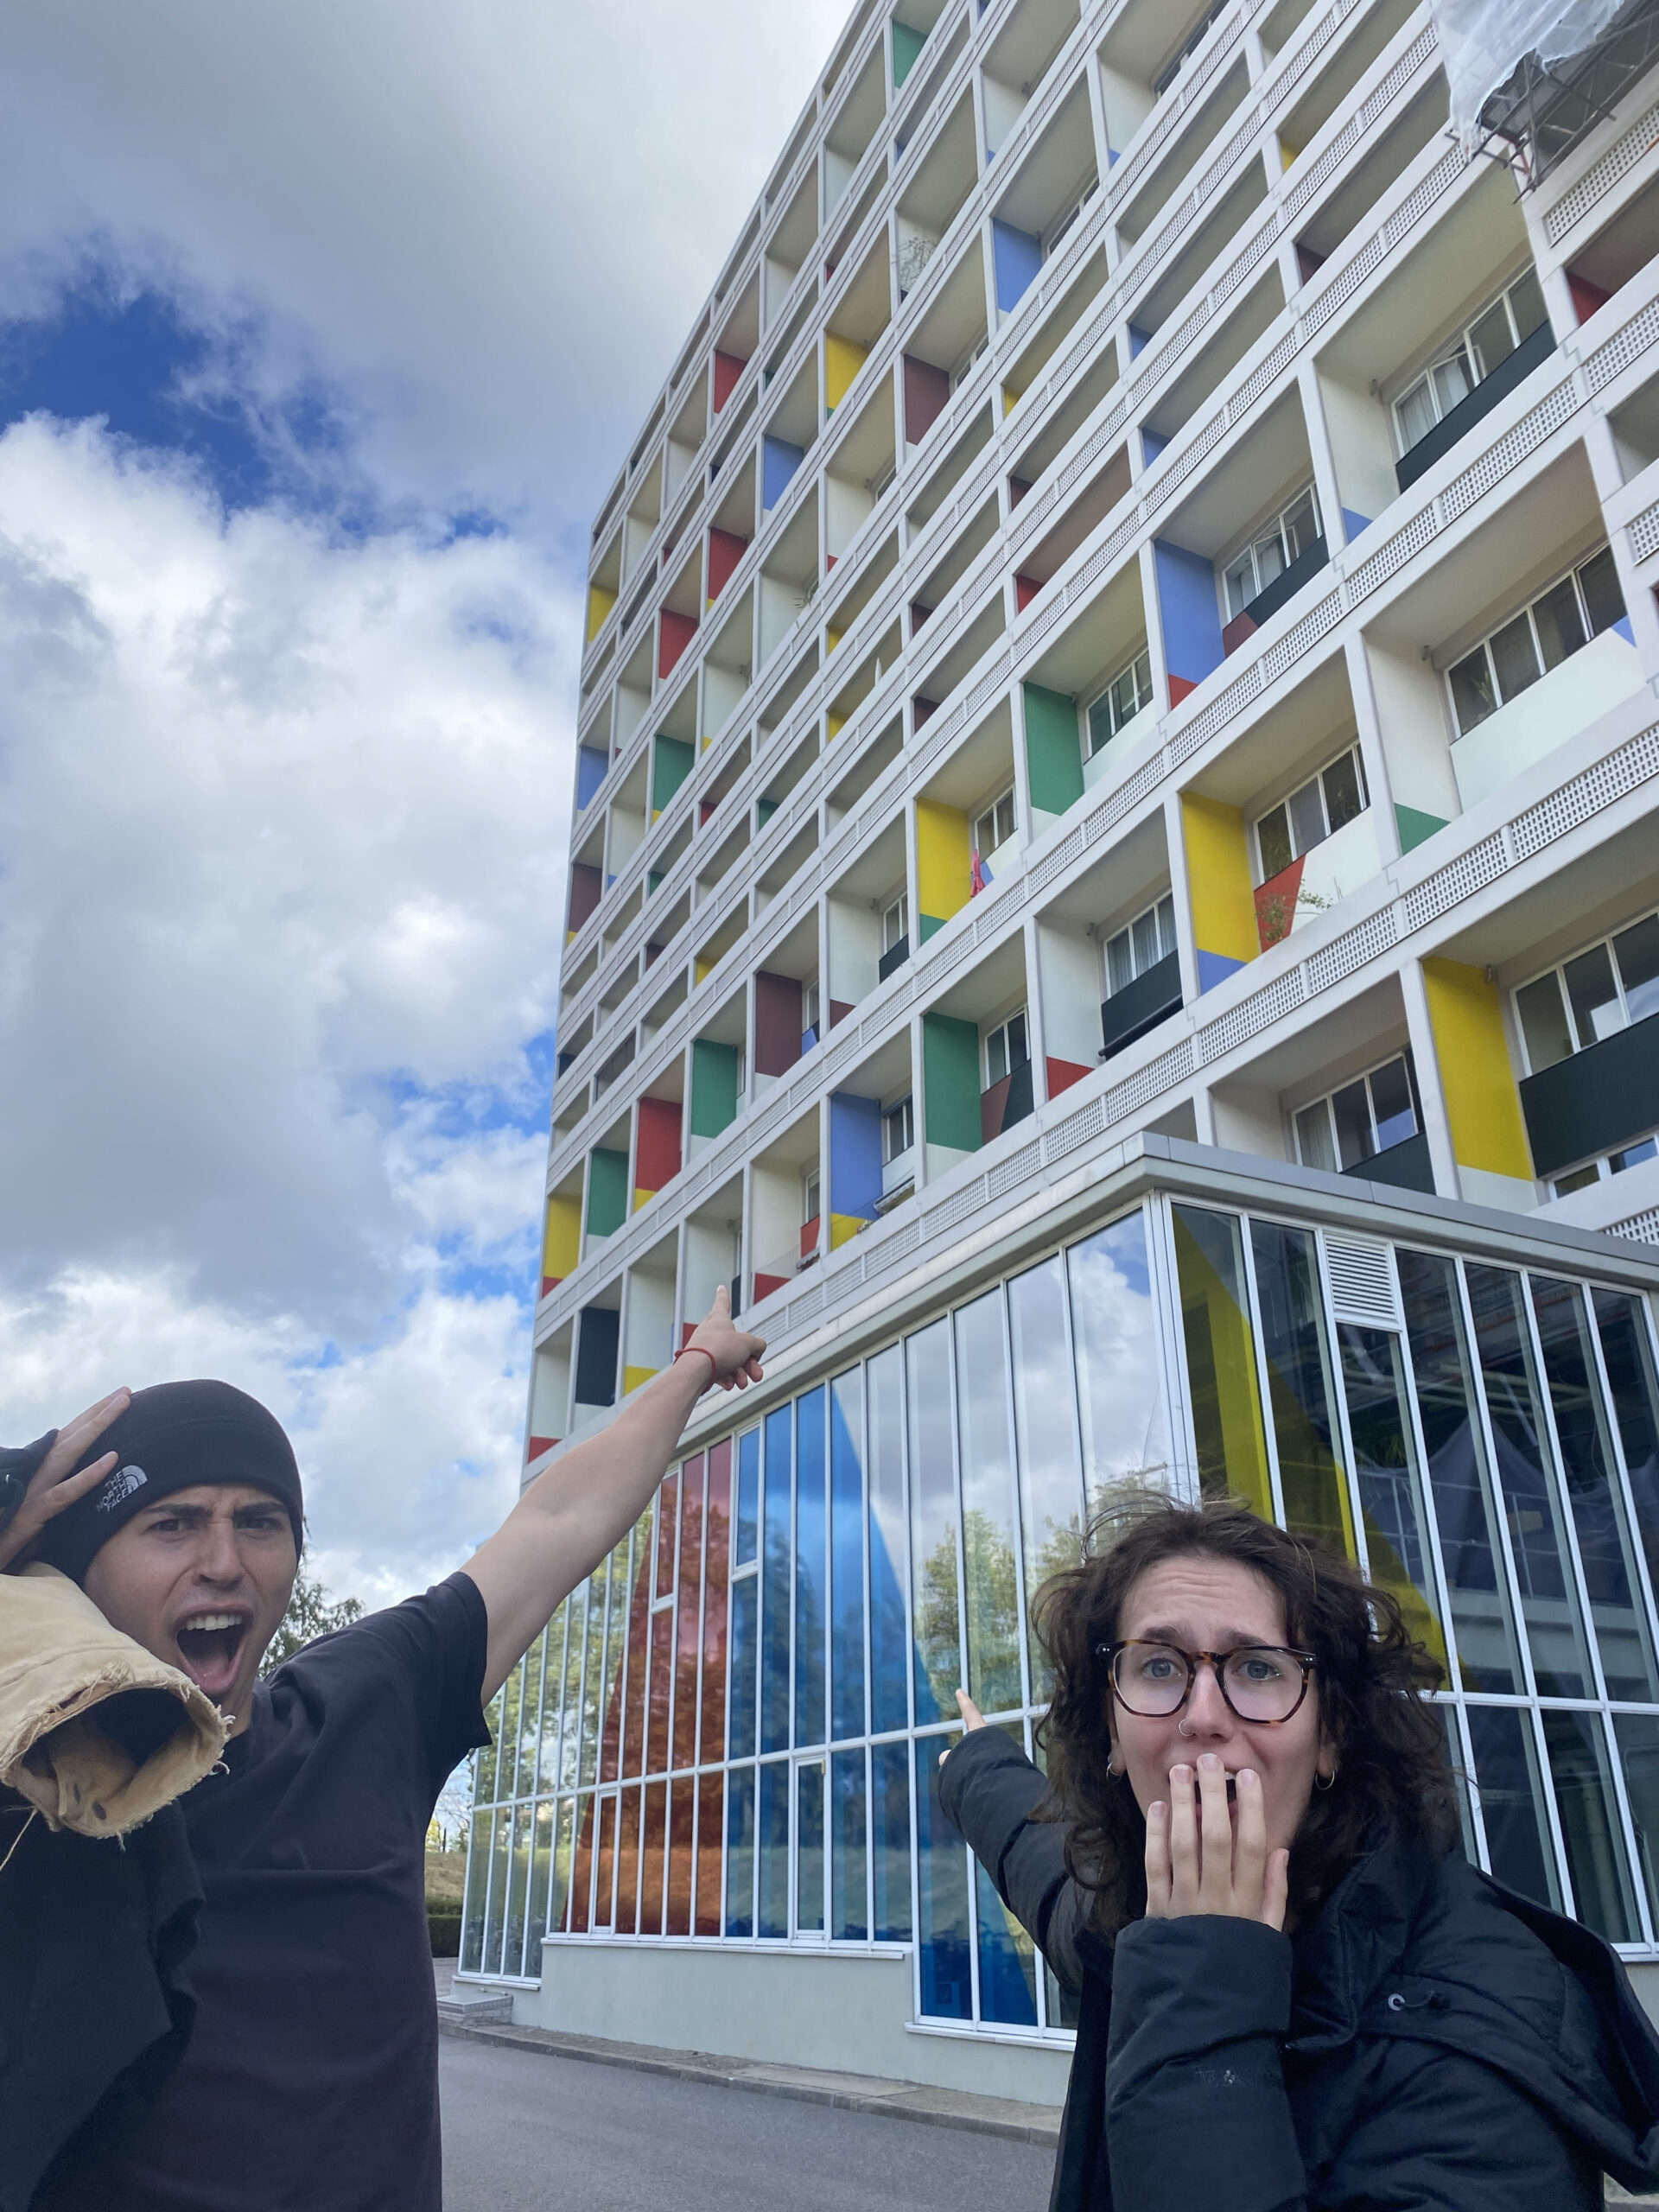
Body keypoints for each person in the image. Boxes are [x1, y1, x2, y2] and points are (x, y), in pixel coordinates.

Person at [0, 1288, 763, 2212]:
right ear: (80, 1570)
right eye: (173, 1523)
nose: (223, 1562)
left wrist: (695, 1364)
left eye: (260, 1521)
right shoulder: (27, 1790)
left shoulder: (366, 1707)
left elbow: (556, 1522)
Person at [939, 1491, 1659, 2212]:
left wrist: (1203, 1975)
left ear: (1329, 1737)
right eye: (1158, 1666)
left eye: (1258, 1669)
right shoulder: (1126, 1912)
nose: (1202, 1716)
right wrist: (974, 1767)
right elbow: (1040, 1860)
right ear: (1113, 1733)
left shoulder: (1481, 2065)